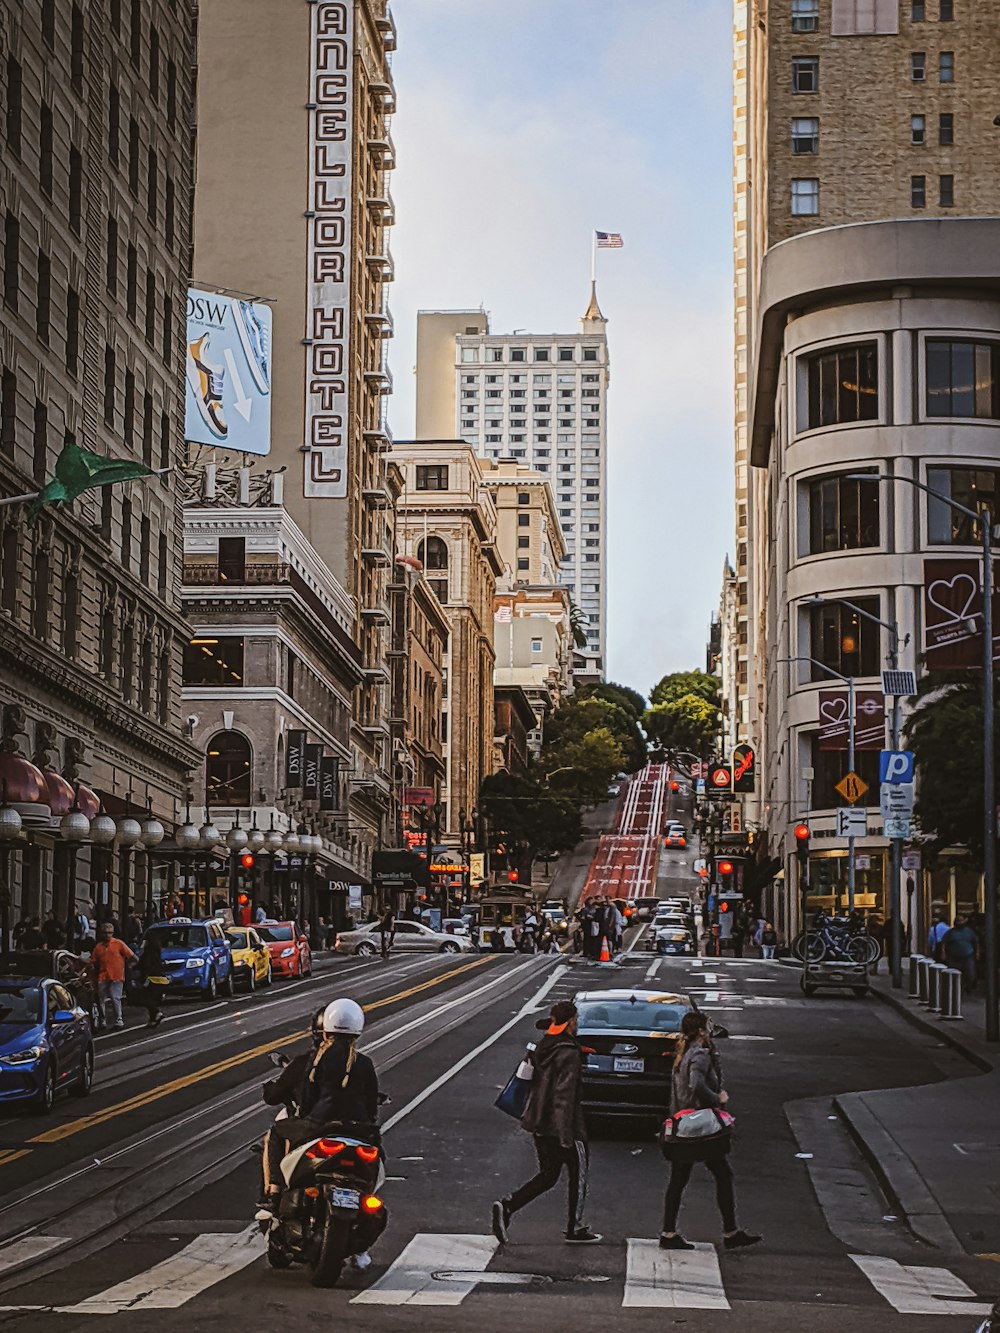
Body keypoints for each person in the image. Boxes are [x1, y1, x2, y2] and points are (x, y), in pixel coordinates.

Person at [491, 1000, 600, 1246]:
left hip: (539, 1121)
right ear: (571, 1021)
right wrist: (566, 1135)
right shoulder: (569, 1053)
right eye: (575, 1020)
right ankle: (575, 1226)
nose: (577, 1024)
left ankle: (508, 1205)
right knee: (578, 1174)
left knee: (548, 1175)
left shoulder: (542, 1047)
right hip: (564, 1125)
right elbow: (564, 1096)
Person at [659, 1011, 760, 1252]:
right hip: (700, 1125)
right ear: (702, 1031)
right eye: (708, 1028)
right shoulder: (700, 1055)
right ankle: (730, 1232)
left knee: (679, 1179)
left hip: (683, 1123)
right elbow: (696, 1084)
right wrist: (718, 1097)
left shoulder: (683, 1053)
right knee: (722, 1175)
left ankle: (669, 1231)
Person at [256, 1006, 327, 1218]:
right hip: (354, 1130)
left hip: (314, 1127)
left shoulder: (306, 1063)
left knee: (276, 1133)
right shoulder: (359, 1062)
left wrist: (270, 1087)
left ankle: (274, 1192)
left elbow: (274, 1096)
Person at [89, 922, 137, 1029]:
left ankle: (118, 1020)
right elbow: (92, 960)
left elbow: (133, 957)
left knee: (115, 998)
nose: (107, 935)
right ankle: (103, 1021)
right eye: (105, 933)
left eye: (110, 933)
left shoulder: (119, 944)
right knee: (101, 999)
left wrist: (130, 966)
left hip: (116, 976)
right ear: (101, 934)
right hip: (103, 975)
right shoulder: (98, 947)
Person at [136, 931, 166, 1027]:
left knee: (146, 998)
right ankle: (153, 1019)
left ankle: (156, 1012)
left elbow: (145, 964)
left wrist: (136, 967)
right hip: (159, 977)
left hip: (150, 978)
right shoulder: (157, 951)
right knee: (151, 997)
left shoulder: (149, 952)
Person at [942, 914, 979, 992]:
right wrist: (943, 953)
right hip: (954, 957)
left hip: (968, 956)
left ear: (964, 921)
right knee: (955, 974)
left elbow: (976, 942)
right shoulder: (950, 932)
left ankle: (968, 987)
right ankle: (958, 989)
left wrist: (977, 953)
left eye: (960, 920)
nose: (959, 922)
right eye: (957, 920)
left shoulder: (969, 931)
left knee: (970, 974)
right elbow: (944, 943)